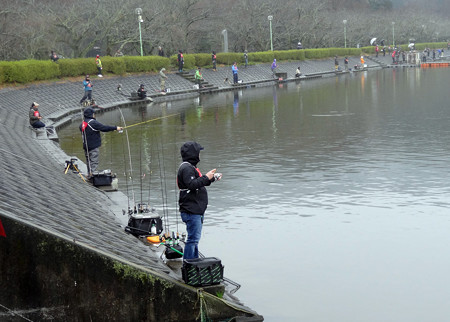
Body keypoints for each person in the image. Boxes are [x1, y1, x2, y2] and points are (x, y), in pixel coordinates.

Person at [177, 141, 221, 259]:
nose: (199, 155)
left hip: (196, 210)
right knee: (193, 239)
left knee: (195, 239)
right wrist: (206, 177)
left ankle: (194, 261)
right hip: (191, 211)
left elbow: (198, 182)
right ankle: (189, 265)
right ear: (193, 154)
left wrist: (211, 178)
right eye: (198, 152)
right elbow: (191, 184)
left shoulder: (191, 167)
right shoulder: (186, 168)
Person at [80, 107, 122, 177]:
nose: (94, 115)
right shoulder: (93, 123)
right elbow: (104, 128)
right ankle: (92, 177)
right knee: (94, 162)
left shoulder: (83, 124)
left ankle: (89, 174)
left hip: (86, 147)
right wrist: (116, 128)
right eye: (94, 114)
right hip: (93, 147)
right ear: (91, 114)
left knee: (89, 162)